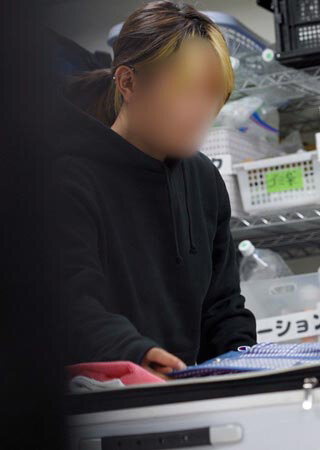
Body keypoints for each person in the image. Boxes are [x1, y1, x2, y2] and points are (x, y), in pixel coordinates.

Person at [57, 1, 255, 378]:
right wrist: (136, 351)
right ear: (128, 83)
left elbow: (223, 306)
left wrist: (246, 360)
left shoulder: (204, 180)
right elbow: (70, 302)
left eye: (213, 94)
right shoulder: (69, 177)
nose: (201, 111)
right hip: (105, 392)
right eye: (185, 92)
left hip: (183, 389)